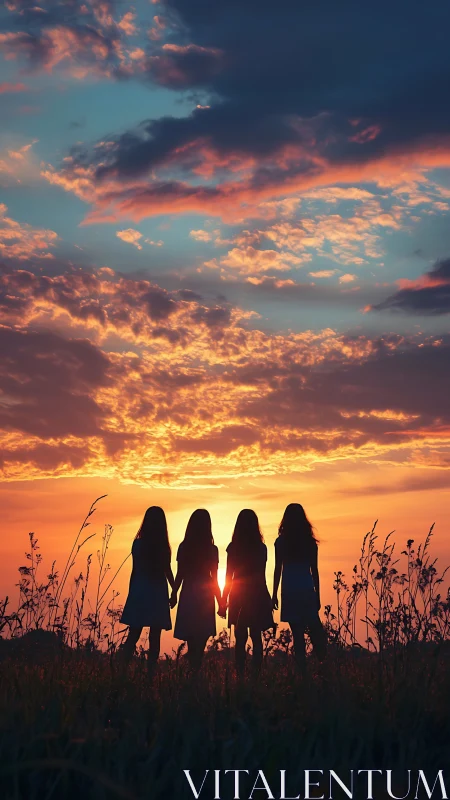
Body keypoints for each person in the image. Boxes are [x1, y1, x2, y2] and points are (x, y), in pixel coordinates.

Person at [272, 503, 327, 667]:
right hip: (306, 589)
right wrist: (317, 595)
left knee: (297, 635)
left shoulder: (281, 542)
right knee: (315, 632)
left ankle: (303, 671)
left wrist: (274, 594)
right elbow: (315, 571)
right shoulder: (309, 543)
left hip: (289, 590)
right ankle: (323, 665)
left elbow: (277, 570)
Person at [119, 506, 174, 670]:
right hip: (157, 591)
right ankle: (150, 673)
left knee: (134, 633)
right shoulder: (163, 546)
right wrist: (175, 590)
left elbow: (134, 570)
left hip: (140, 590)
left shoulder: (138, 544)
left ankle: (122, 669)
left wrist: (132, 593)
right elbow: (167, 570)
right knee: (154, 636)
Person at [220, 509, 273, 676]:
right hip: (257, 592)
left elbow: (229, 575)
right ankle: (256, 675)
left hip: (238, 594)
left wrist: (223, 600)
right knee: (256, 637)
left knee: (240, 637)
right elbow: (262, 575)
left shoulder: (233, 548)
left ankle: (241, 674)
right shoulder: (261, 548)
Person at [171, 509, 223, 671]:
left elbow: (180, 573)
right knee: (201, 637)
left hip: (188, 592)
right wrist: (220, 601)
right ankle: (195, 671)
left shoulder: (184, 547)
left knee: (192, 637)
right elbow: (214, 579)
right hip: (205, 594)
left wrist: (174, 593)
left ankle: (193, 672)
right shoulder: (212, 550)